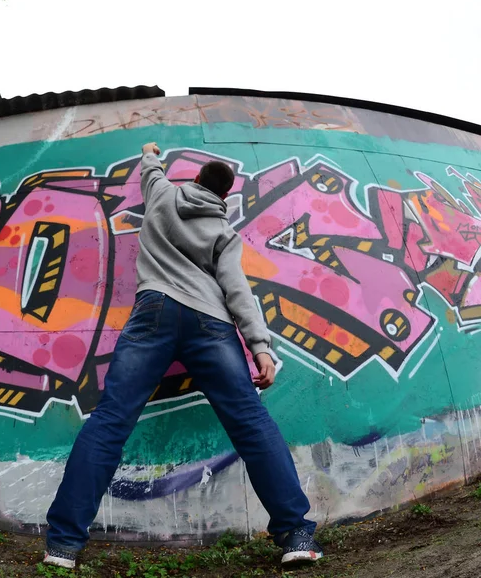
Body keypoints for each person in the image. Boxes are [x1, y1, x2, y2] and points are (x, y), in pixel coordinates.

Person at [44, 142, 322, 568]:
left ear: (194, 181)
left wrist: (150, 152)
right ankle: (296, 534)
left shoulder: (163, 195)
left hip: (152, 310)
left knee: (111, 420)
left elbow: (150, 172)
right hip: (210, 321)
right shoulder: (224, 233)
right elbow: (236, 290)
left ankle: (63, 544)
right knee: (250, 421)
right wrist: (260, 347)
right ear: (224, 197)